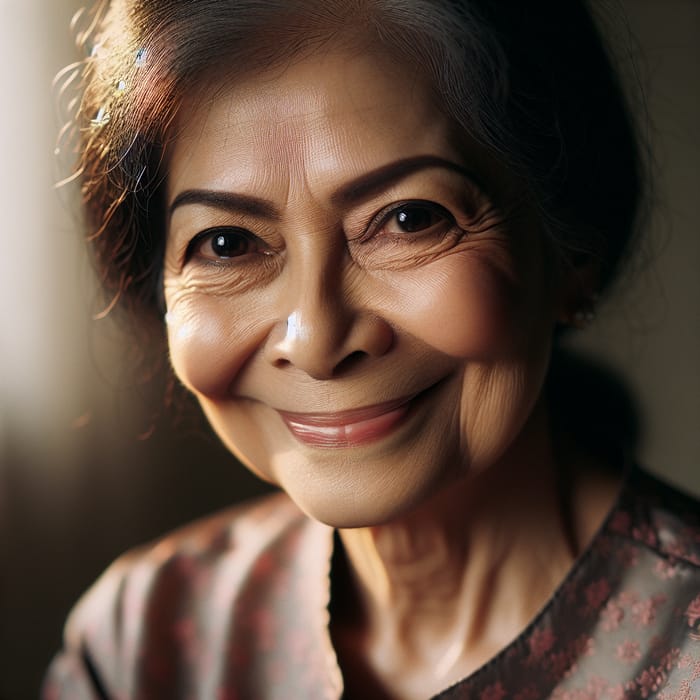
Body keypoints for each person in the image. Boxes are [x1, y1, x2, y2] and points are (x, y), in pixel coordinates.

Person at [44, 0, 700, 698]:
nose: (318, 338)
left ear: (573, 253)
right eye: (227, 243)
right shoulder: (143, 639)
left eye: (410, 220)